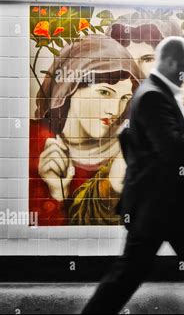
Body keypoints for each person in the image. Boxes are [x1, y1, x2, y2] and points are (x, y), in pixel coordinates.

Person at [81, 37, 184, 314]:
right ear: (171, 61)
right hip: (157, 205)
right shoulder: (153, 96)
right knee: (130, 274)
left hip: (166, 202)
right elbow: (173, 148)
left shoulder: (156, 92)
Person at [29, 34, 145, 225]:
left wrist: (60, 194)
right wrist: (56, 196)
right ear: (70, 87)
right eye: (104, 92)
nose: (115, 110)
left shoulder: (124, 154)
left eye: (124, 98)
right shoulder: (32, 139)